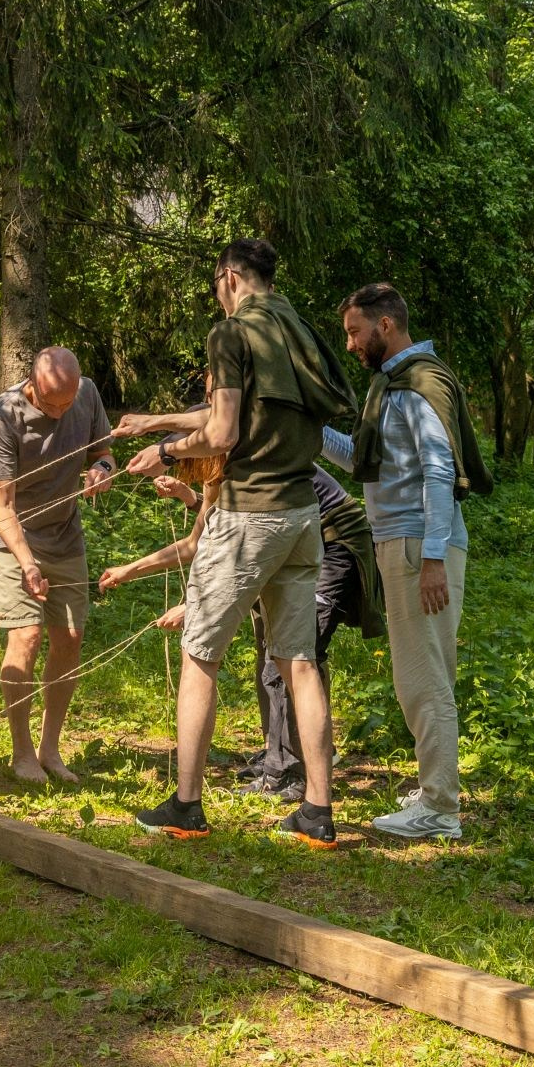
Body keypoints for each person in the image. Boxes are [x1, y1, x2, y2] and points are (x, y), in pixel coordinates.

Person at [117, 237, 354, 848]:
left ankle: (186, 806)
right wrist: (159, 421)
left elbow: (222, 432)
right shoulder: (297, 327)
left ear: (227, 278)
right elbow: (249, 416)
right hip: (303, 515)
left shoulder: (230, 334)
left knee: (200, 655)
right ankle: (317, 812)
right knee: (299, 662)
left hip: (247, 515)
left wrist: (164, 452)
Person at [102, 461, 381, 802]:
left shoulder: (246, 469)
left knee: (290, 661)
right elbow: (196, 545)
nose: (182, 471)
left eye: (184, 459)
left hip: (333, 545)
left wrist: (195, 607)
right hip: (290, 545)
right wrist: (128, 570)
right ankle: (277, 756)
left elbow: (253, 553)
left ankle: (291, 773)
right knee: (270, 655)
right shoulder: (217, 475)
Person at [321, 282, 490, 841]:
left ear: (385, 325)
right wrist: (309, 428)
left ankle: (441, 808)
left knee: (424, 679)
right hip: (404, 541)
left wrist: (435, 558)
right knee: (419, 673)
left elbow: (440, 472)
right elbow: (363, 463)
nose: (349, 344)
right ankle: (434, 789)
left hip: (420, 545)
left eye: (354, 331)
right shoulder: (390, 388)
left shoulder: (416, 386)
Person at [0, 346, 115, 785]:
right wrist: (27, 563)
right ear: (32, 386)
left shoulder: (86, 394)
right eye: (51, 403)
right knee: (27, 634)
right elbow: (2, 504)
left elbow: (103, 452)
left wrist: (102, 470)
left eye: (67, 403)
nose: (60, 412)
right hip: (11, 532)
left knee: (71, 636)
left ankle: (50, 749)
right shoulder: (4, 415)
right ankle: (21, 753)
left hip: (63, 531)